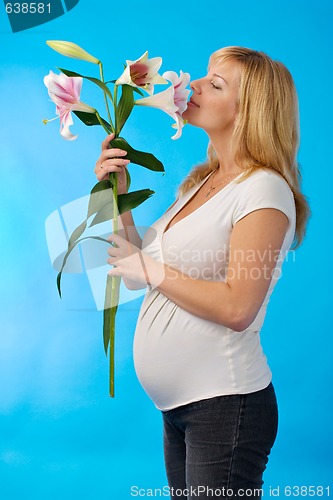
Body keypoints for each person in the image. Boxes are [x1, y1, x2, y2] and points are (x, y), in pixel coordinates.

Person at [94, 46, 310, 499]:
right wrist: (116, 197)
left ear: (249, 111)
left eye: (215, 84)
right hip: (182, 407)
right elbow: (134, 273)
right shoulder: (200, 184)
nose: (191, 85)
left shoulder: (264, 189)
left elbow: (237, 307)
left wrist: (149, 268)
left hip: (224, 405)